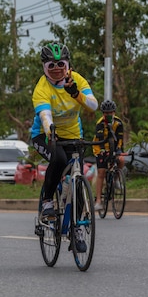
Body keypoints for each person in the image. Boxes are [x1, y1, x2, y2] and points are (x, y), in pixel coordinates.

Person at [31, 42, 98, 250]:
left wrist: (75, 93)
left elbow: (93, 105)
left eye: (61, 64)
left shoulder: (76, 79)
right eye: (51, 65)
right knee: (58, 159)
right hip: (45, 135)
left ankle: (77, 228)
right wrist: (51, 131)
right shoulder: (42, 88)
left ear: (68, 64)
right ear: (44, 67)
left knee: (77, 181)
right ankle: (48, 202)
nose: (57, 68)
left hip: (74, 136)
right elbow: (45, 115)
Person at [92, 100, 125, 210]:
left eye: (110, 113)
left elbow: (120, 139)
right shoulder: (100, 123)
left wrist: (119, 150)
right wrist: (102, 150)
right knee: (101, 172)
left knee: (121, 160)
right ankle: (98, 200)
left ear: (114, 112)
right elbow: (100, 139)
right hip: (99, 148)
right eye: (106, 113)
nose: (108, 115)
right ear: (103, 113)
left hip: (113, 147)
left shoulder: (119, 123)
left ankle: (115, 180)